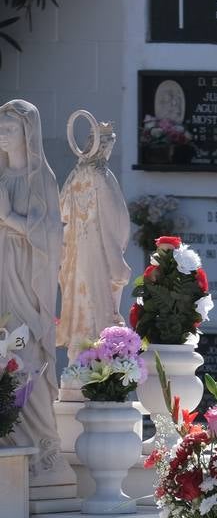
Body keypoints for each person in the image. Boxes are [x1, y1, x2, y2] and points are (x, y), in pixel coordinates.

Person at [0, 99, 76, 485]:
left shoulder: (40, 179)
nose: (1, 135)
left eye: (9, 129)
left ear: (26, 134)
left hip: (29, 283)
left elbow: (52, 235)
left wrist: (10, 219)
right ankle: (10, 441)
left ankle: (45, 450)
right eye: (0, 128)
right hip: (1, 275)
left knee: (26, 356)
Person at [58, 116, 132, 362]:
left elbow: (62, 212)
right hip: (97, 250)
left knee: (82, 300)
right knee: (98, 302)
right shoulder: (100, 175)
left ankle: (79, 358)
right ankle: (94, 360)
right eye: (107, 145)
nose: (109, 150)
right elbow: (114, 217)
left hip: (77, 250)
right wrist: (117, 251)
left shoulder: (75, 174)